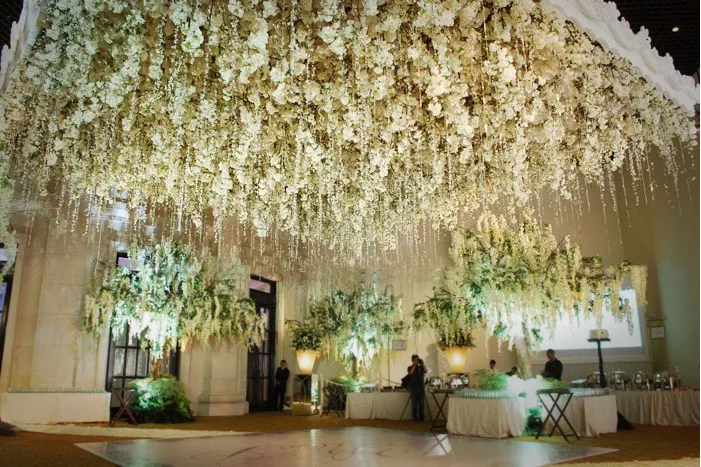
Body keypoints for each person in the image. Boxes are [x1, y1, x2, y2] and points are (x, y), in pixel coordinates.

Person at [409, 354, 428, 421]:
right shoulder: (410, 367)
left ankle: (421, 417)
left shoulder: (421, 367)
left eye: (417, 359)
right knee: (414, 405)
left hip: (421, 389)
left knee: (421, 404)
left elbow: (426, 371)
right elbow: (411, 372)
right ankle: (415, 417)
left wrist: (422, 363)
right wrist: (414, 364)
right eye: (415, 360)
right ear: (412, 360)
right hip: (414, 389)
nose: (416, 361)